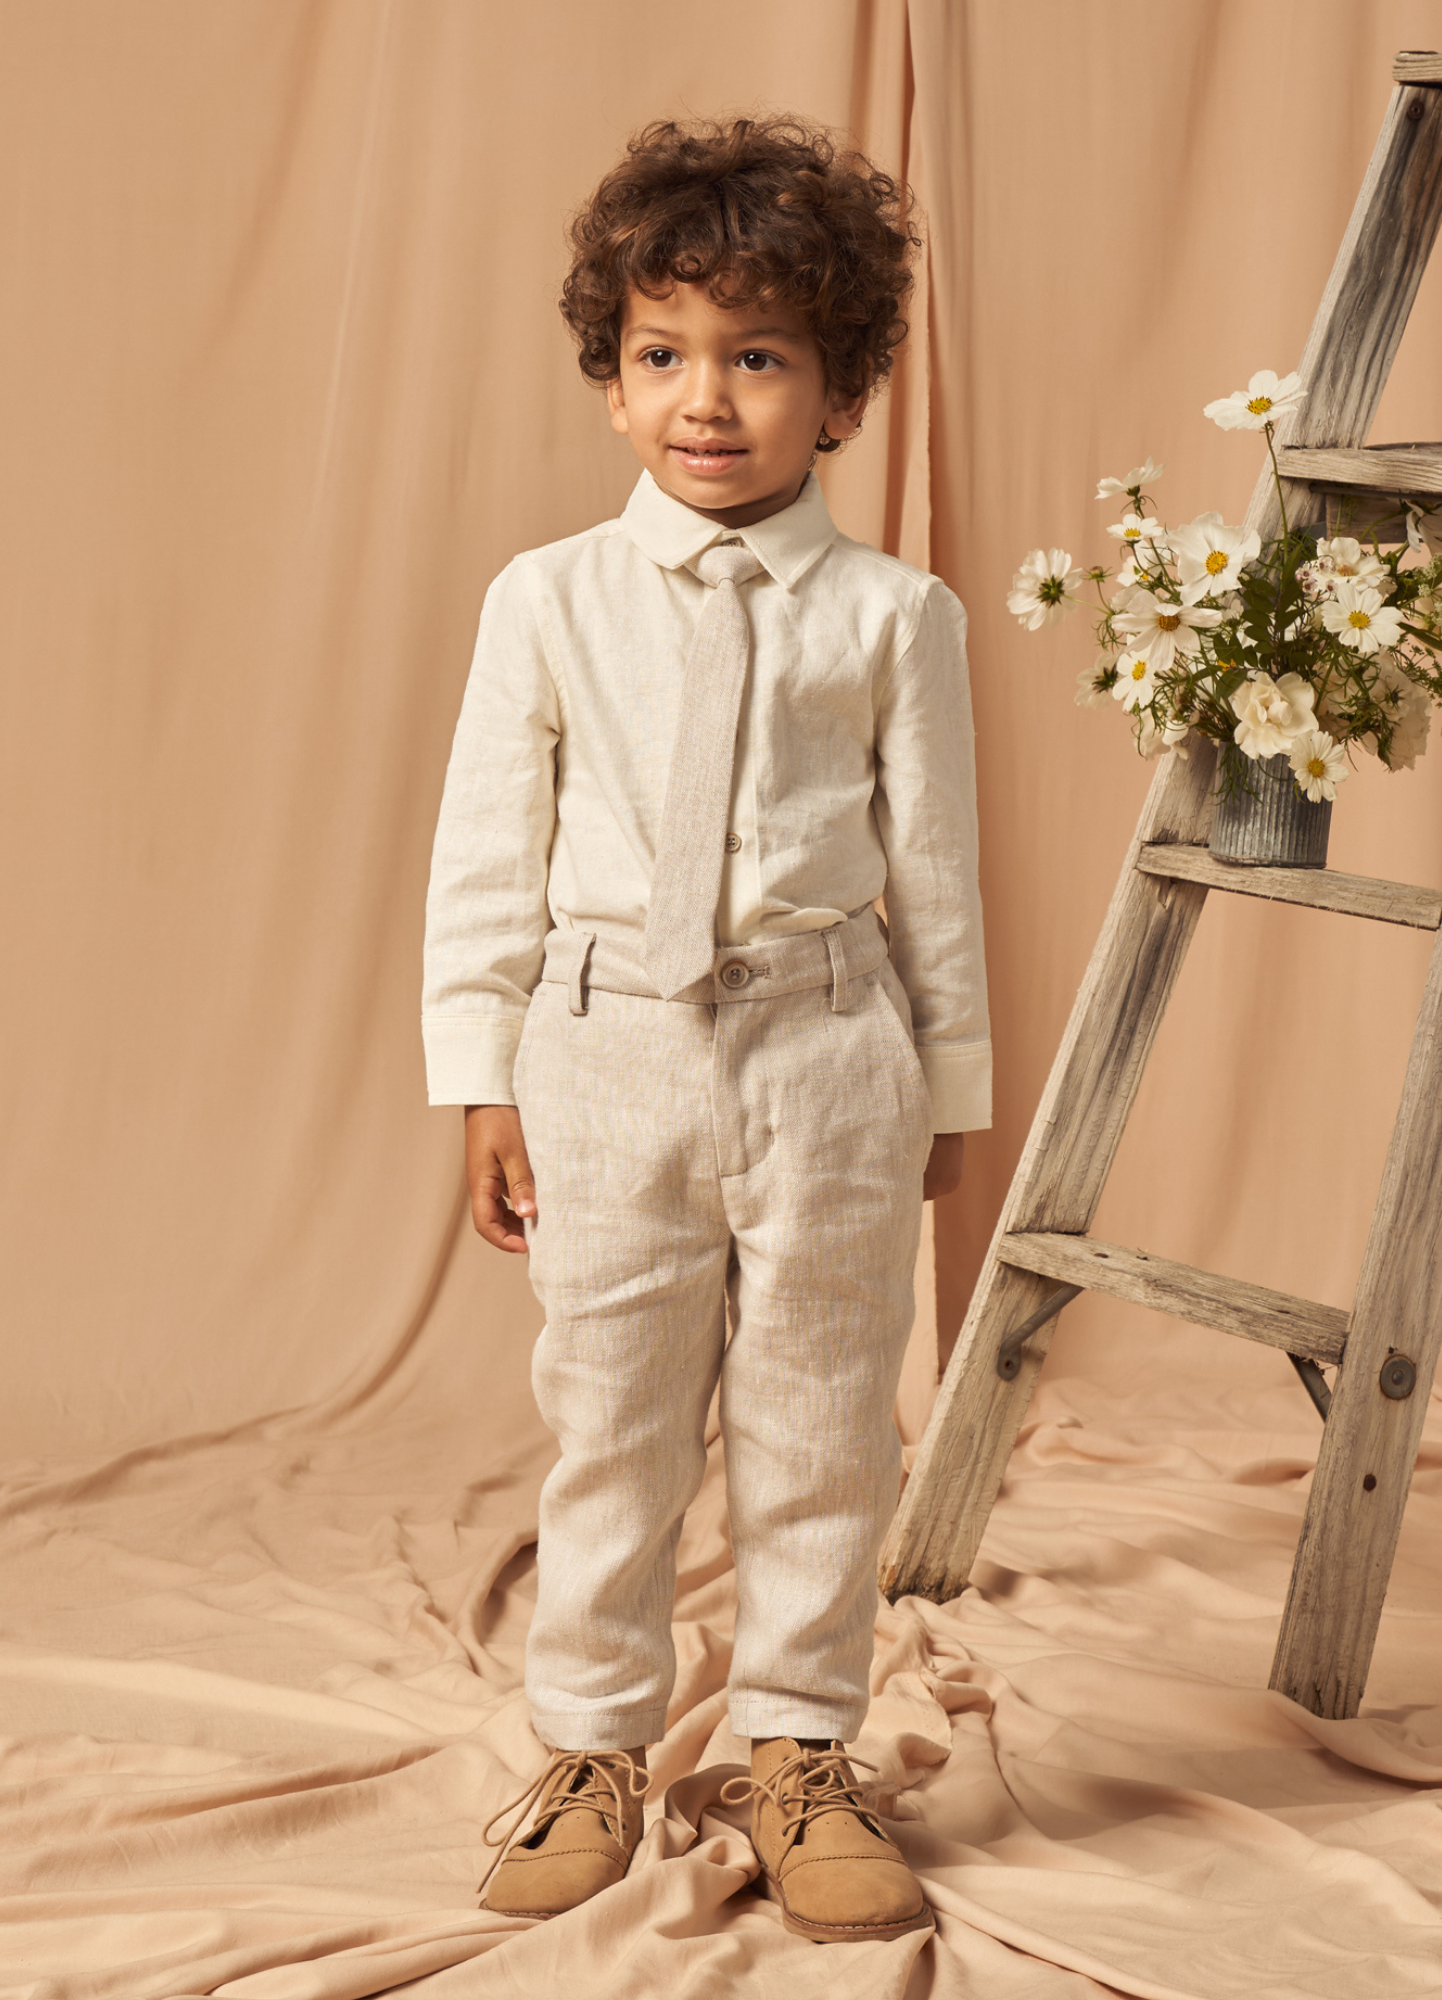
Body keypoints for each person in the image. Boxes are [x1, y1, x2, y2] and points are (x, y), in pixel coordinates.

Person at [422, 114, 990, 1944]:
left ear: (839, 393)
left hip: (832, 1044)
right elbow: (486, 857)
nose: (709, 399)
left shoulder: (898, 618)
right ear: (611, 378)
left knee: (826, 1417)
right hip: (604, 1046)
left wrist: (950, 1098)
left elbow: (943, 878)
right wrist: (478, 1077)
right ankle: (590, 1740)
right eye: (665, 354)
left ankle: (799, 1742)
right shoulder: (550, 600)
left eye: (759, 358)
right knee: (611, 1411)